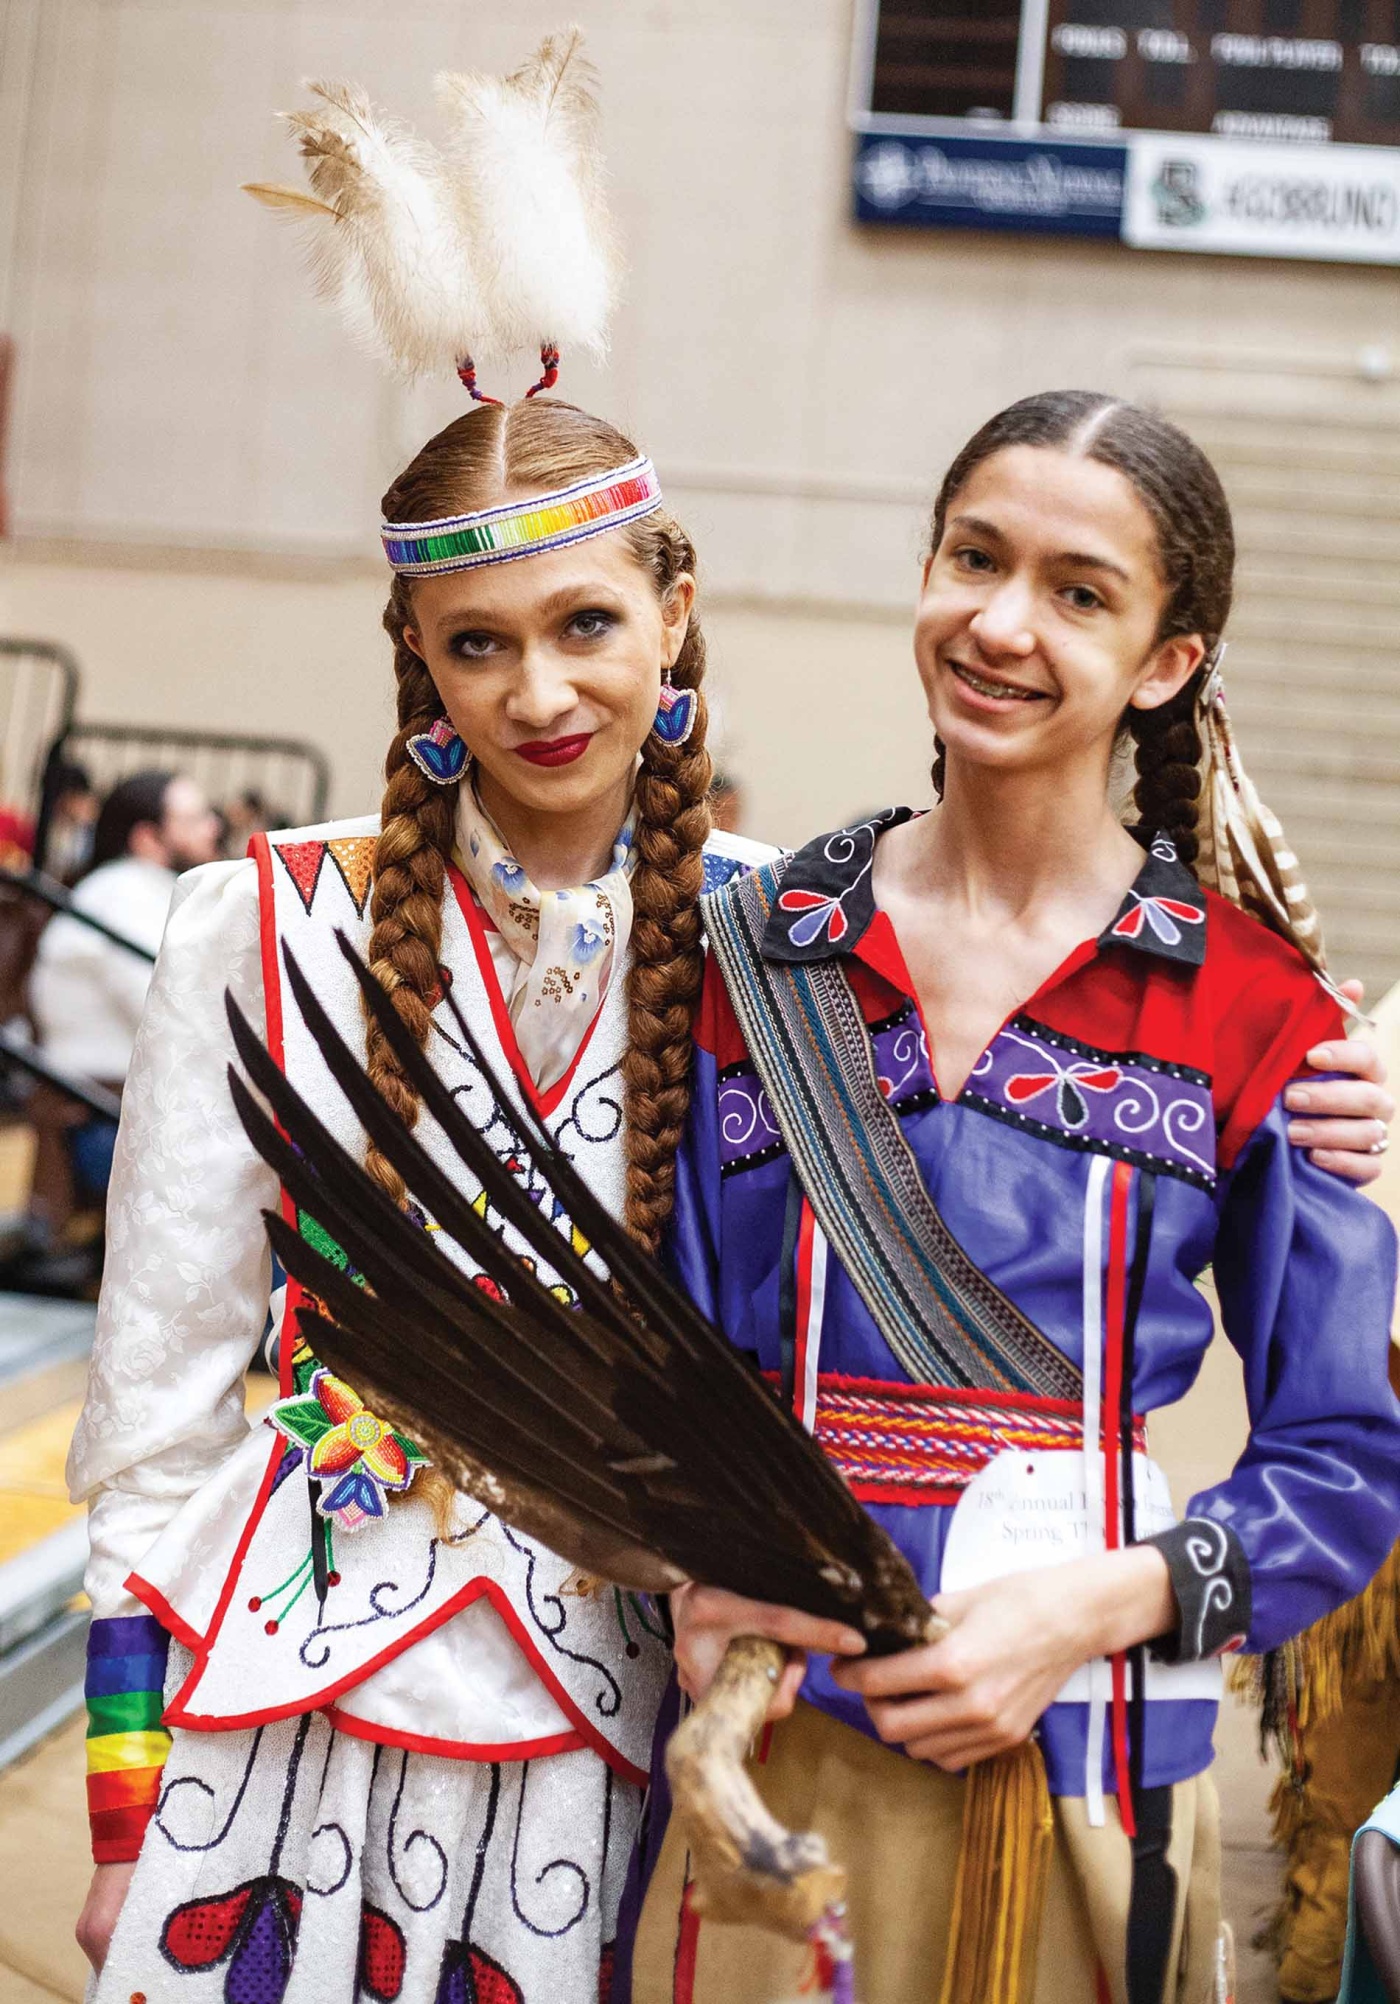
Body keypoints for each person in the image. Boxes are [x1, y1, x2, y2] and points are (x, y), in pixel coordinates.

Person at [66, 41, 769, 2003]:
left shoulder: (782, 934)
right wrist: (132, 1818)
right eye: (479, 643)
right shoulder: (260, 921)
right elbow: (161, 1396)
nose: (537, 689)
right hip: (273, 1702)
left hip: (602, 1711)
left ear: (673, 608)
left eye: (583, 624)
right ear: (419, 661)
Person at [621, 392, 1400, 2004]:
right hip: (771, 1745)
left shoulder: (1258, 1016)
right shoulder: (761, 951)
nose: (999, 624)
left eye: (1078, 591)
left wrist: (1081, 1613)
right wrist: (695, 1577)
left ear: (1168, 661)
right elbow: (673, 1382)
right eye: (974, 558)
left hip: (1094, 1750)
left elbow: (1342, 1464)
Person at [29, 770, 220, 1206]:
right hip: (100, 1120)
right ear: (147, 838)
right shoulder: (123, 894)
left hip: (125, 1110)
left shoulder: (141, 889)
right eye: (193, 820)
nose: (213, 827)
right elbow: (174, 1014)